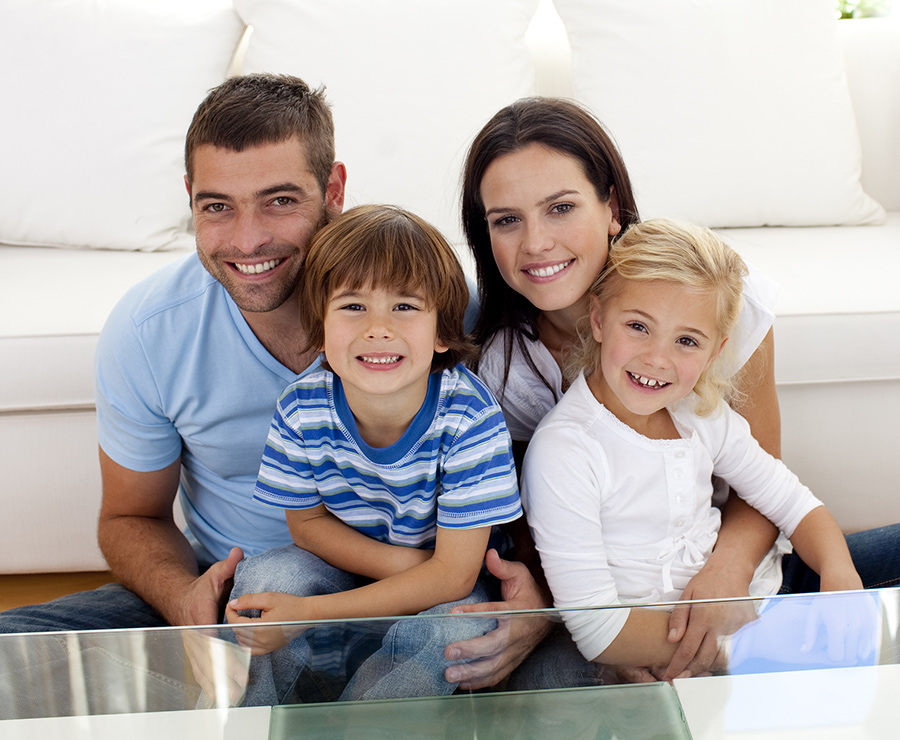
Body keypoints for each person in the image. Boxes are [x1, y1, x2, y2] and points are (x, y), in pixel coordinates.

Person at [0, 75, 532, 709]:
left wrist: (544, 606)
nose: (247, 239)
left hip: (436, 594)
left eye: (279, 200)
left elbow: (541, 475)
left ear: (333, 190)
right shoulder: (149, 332)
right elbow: (130, 517)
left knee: (493, 651)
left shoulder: (448, 310)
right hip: (251, 599)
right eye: (216, 206)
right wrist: (186, 602)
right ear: (190, 199)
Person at [451, 96, 785, 684]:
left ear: (612, 207)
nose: (535, 243)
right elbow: (540, 535)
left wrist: (725, 576)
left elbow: (763, 482)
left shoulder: (719, 298)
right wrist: (614, 636)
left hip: (735, 578)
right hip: (621, 607)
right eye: (506, 220)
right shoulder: (504, 371)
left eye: (560, 208)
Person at [520, 218, 874, 671]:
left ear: (715, 352)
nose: (657, 358)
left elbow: (794, 502)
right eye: (638, 326)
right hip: (707, 649)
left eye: (687, 341)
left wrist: (840, 577)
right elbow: (598, 631)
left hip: (770, 590)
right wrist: (752, 648)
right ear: (598, 319)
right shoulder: (566, 451)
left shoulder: (698, 413)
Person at [223, 204, 521, 702]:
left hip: (452, 581)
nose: (378, 328)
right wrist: (411, 566)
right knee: (267, 582)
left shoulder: (469, 419)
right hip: (379, 564)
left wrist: (310, 613)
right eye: (353, 306)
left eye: (404, 307)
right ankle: (259, 721)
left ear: (442, 332)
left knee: (455, 629)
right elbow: (307, 526)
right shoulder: (301, 407)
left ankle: (361, 723)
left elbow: (455, 577)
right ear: (320, 326)